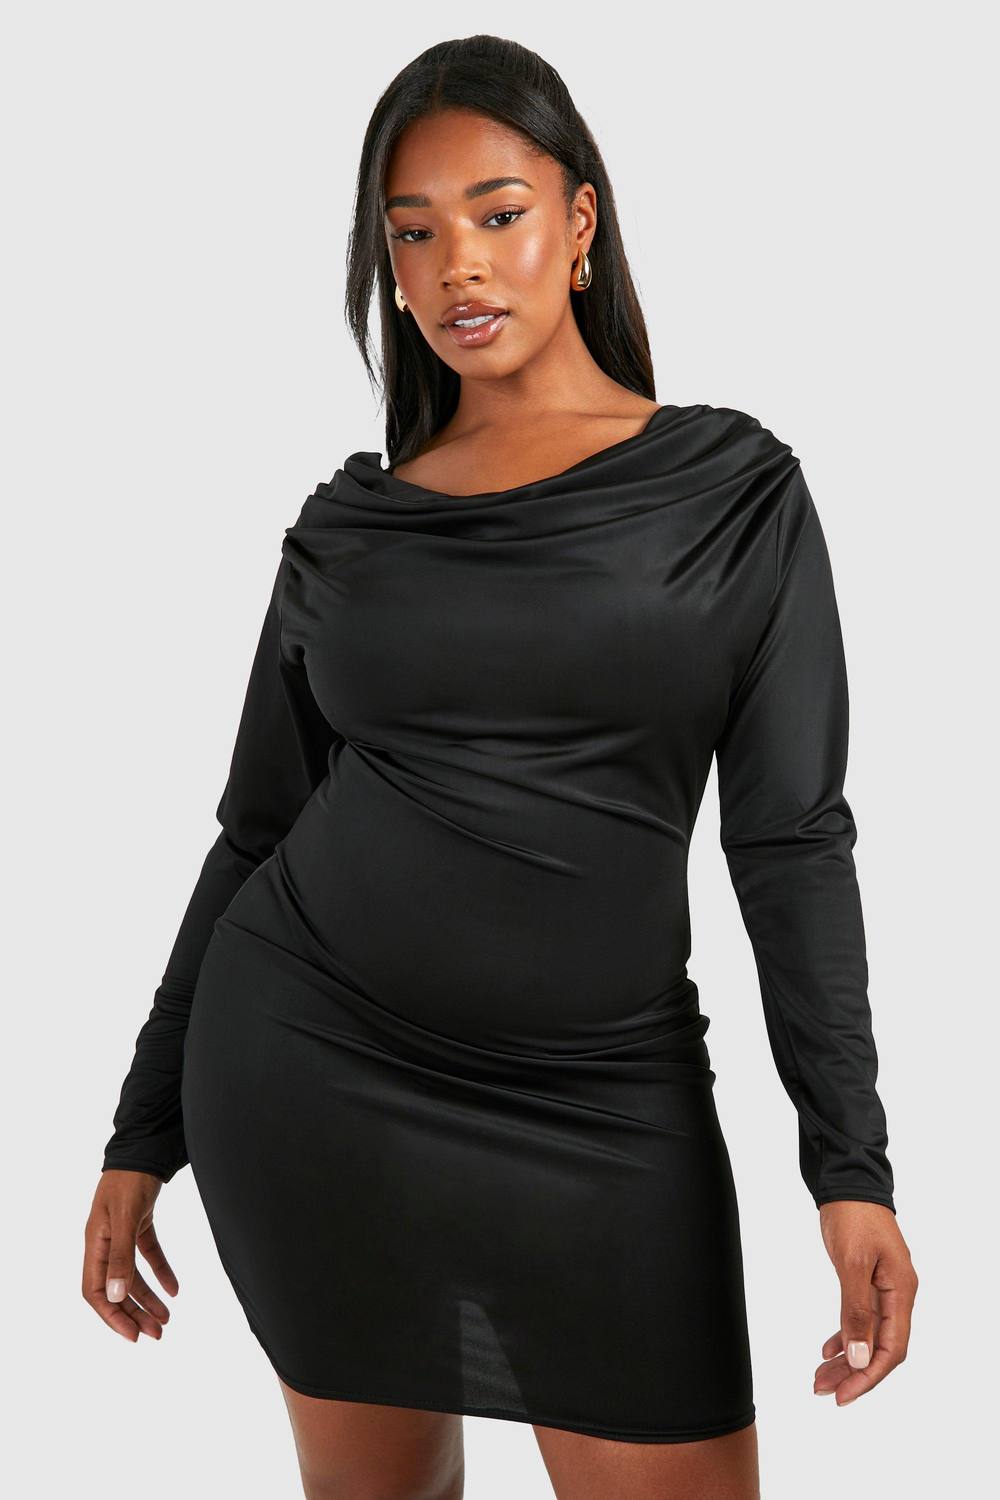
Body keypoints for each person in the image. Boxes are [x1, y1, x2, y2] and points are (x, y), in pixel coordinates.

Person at [83, 33, 918, 1500]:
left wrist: (848, 1165)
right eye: (412, 235)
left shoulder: (729, 493)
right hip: (313, 1079)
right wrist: (139, 1131)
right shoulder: (348, 530)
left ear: (580, 222)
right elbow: (256, 831)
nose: (458, 264)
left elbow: (791, 838)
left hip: (613, 1112)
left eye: (498, 213)